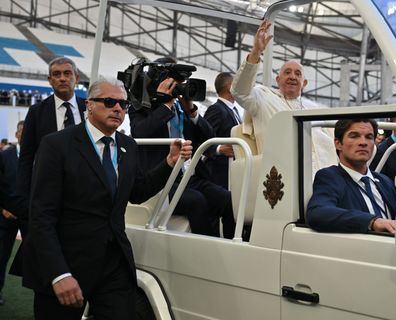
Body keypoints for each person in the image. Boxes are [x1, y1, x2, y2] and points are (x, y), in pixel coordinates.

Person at [21, 78, 192, 320]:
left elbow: (138, 191)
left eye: (123, 104)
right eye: (110, 102)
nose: (118, 109)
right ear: (89, 105)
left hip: (114, 264)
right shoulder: (56, 145)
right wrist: (59, 274)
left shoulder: (128, 146)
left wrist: (169, 163)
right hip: (68, 262)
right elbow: (41, 216)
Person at [129, 57, 234, 238]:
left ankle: (232, 245)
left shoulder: (181, 108)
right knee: (197, 201)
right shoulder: (141, 106)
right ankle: (208, 250)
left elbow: (209, 137)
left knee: (227, 199)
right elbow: (140, 132)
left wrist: (192, 111)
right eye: (173, 82)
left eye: (180, 83)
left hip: (188, 177)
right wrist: (165, 104)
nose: (178, 87)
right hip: (161, 180)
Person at [231, 20, 337, 171]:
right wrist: (256, 51)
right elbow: (239, 91)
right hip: (283, 173)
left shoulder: (313, 109)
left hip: (324, 173)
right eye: (287, 72)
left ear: (304, 83)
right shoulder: (262, 97)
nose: (292, 77)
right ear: (278, 79)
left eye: (297, 74)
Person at [8, 57, 86, 220]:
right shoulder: (36, 112)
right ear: (50, 80)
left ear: (76, 78)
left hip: (85, 193)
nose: (62, 78)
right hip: (48, 195)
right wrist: (23, 199)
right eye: (56, 74)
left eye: (67, 73)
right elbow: (26, 158)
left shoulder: (89, 108)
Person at [306, 119, 396, 234]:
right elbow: (318, 213)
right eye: (354, 136)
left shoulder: (385, 181)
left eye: (369, 137)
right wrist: (372, 222)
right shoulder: (330, 177)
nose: (363, 142)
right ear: (338, 143)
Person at [0, 121, 26, 305]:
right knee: (0, 257)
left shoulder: (41, 156)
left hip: (30, 218)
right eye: (22, 132)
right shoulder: (4, 156)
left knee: (40, 257)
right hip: (5, 217)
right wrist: (3, 209)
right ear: (16, 135)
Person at [204, 72, 242, 188]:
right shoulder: (216, 109)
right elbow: (203, 138)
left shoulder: (234, 110)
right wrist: (219, 149)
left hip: (231, 172)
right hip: (219, 174)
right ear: (230, 87)